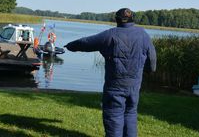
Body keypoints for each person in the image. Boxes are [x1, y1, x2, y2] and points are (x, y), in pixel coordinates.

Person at [64, 8, 156, 137]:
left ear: (117, 20)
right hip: (134, 85)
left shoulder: (110, 35)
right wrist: (149, 70)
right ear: (132, 19)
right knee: (130, 114)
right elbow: (152, 59)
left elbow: (86, 43)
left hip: (115, 86)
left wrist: (70, 46)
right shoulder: (143, 34)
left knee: (114, 116)